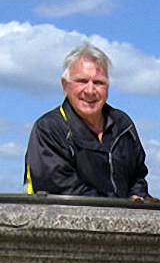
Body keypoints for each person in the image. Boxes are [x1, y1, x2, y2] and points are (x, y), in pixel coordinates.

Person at [24, 43, 151, 200]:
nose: (90, 90)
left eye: (98, 82)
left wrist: (137, 196)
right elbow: (61, 188)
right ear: (65, 85)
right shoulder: (48, 129)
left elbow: (138, 175)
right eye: (82, 81)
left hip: (121, 220)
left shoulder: (123, 125)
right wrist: (117, 208)